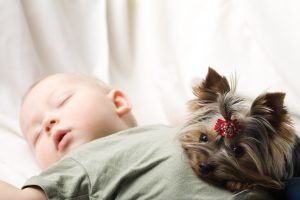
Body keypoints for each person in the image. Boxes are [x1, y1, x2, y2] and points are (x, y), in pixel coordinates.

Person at [0, 73, 247, 200]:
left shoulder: (173, 131)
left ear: (118, 102)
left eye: (61, 101)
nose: (47, 123)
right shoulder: (75, 167)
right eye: (35, 135)